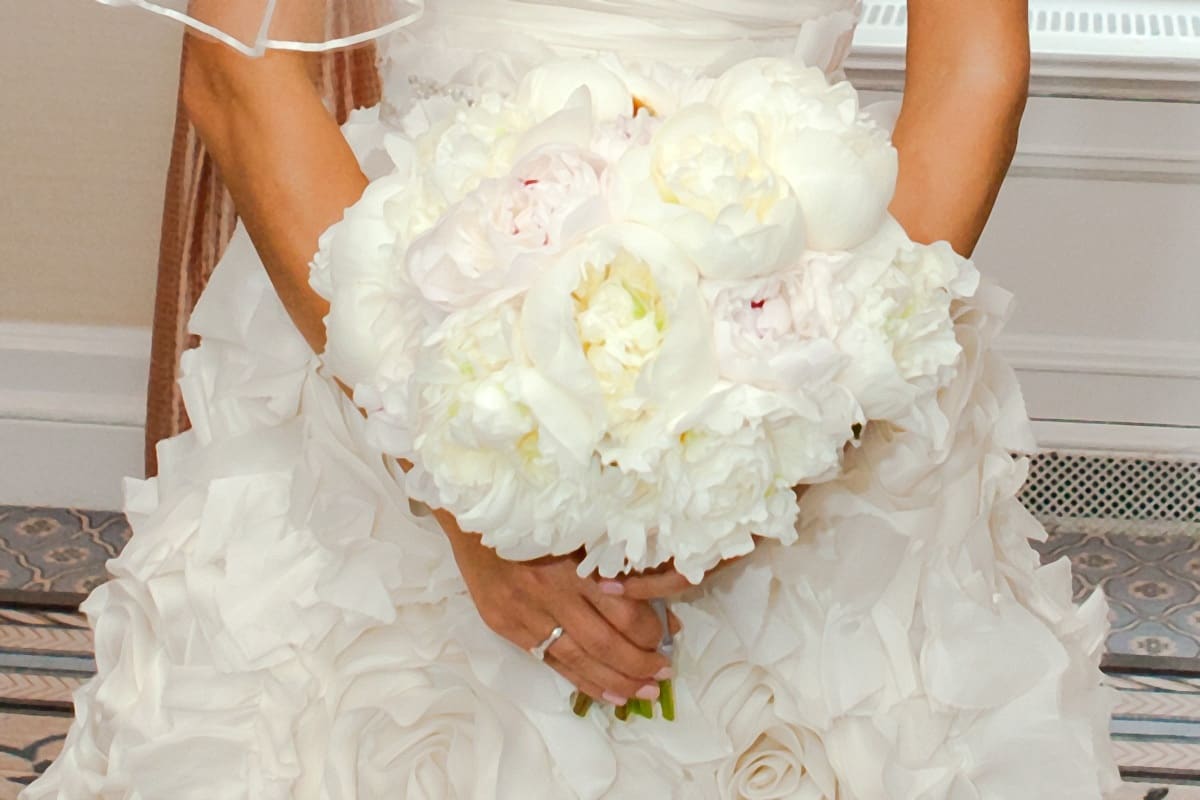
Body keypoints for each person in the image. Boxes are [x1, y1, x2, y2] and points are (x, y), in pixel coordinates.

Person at [25, 1, 1121, 797]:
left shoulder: (801, 405)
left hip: (809, 348)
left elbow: (976, 70)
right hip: (407, 334)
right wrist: (454, 470)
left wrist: (784, 432)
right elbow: (235, 71)